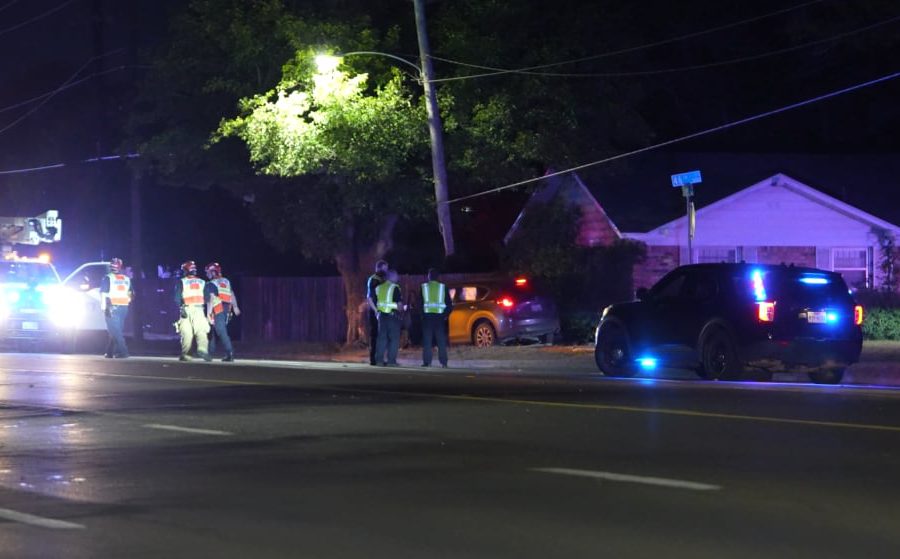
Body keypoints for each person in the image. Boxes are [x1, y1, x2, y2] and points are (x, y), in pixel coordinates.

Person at [174, 260, 211, 361]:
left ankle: (186, 354)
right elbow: (207, 298)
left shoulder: (182, 282)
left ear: (185, 270)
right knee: (201, 331)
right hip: (199, 309)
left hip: (186, 309)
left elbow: (177, 298)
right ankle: (203, 350)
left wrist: (181, 308)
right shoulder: (203, 282)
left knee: (186, 332)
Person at [204, 262, 241, 362]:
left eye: (208, 272)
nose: (207, 274)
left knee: (220, 331)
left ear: (213, 272)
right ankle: (209, 352)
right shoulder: (226, 281)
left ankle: (230, 352)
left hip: (218, 308)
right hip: (227, 309)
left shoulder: (210, 284)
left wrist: (208, 313)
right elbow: (231, 294)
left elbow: (211, 299)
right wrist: (235, 307)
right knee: (214, 330)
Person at [100, 257, 132, 359]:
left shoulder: (108, 278)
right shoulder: (126, 279)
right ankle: (109, 352)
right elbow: (131, 293)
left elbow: (103, 294)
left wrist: (104, 307)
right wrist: (126, 302)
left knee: (115, 331)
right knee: (115, 330)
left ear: (111, 267)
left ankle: (123, 352)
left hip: (112, 307)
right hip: (124, 307)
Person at [420, 268, 452, 368]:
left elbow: (419, 304)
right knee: (441, 341)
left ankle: (427, 362)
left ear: (428, 277)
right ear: (438, 277)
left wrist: (422, 316)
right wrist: (444, 315)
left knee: (427, 341)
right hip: (439, 318)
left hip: (427, 318)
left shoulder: (423, 287)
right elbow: (449, 305)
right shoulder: (443, 287)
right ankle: (444, 363)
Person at [374, 269, 403, 366]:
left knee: (381, 339)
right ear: (392, 277)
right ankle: (391, 361)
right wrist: (402, 307)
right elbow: (399, 305)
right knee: (394, 339)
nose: (398, 278)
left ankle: (379, 361)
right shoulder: (395, 288)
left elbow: (376, 302)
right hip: (392, 317)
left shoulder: (378, 288)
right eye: (396, 276)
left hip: (381, 316)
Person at [365, 260, 388, 365]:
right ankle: (373, 359)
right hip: (375, 312)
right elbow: (369, 298)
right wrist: (376, 311)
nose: (386, 270)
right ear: (379, 268)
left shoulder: (383, 280)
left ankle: (380, 358)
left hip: (383, 311)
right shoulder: (373, 279)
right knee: (375, 335)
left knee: (382, 336)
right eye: (385, 268)